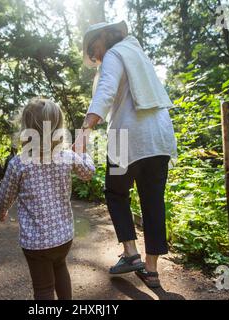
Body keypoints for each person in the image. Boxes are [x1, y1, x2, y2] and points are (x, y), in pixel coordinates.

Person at [74, 21, 177, 288]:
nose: (94, 56)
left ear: (105, 36)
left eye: (93, 48)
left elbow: (106, 92)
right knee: (153, 200)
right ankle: (151, 270)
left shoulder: (115, 54)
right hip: (159, 136)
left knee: (116, 193)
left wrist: (84, 131)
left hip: (124, 138)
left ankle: (131, 254)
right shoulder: (138, 55)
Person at [0, 97, 95, 299]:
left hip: (36, 242)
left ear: (26, 128)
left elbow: (6, 194)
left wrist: (1, 211)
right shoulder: (67, 156)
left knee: (43, 289)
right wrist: (83, 153)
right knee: (60, 269)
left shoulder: (19, 163)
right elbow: (88, 173)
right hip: (63, 237)